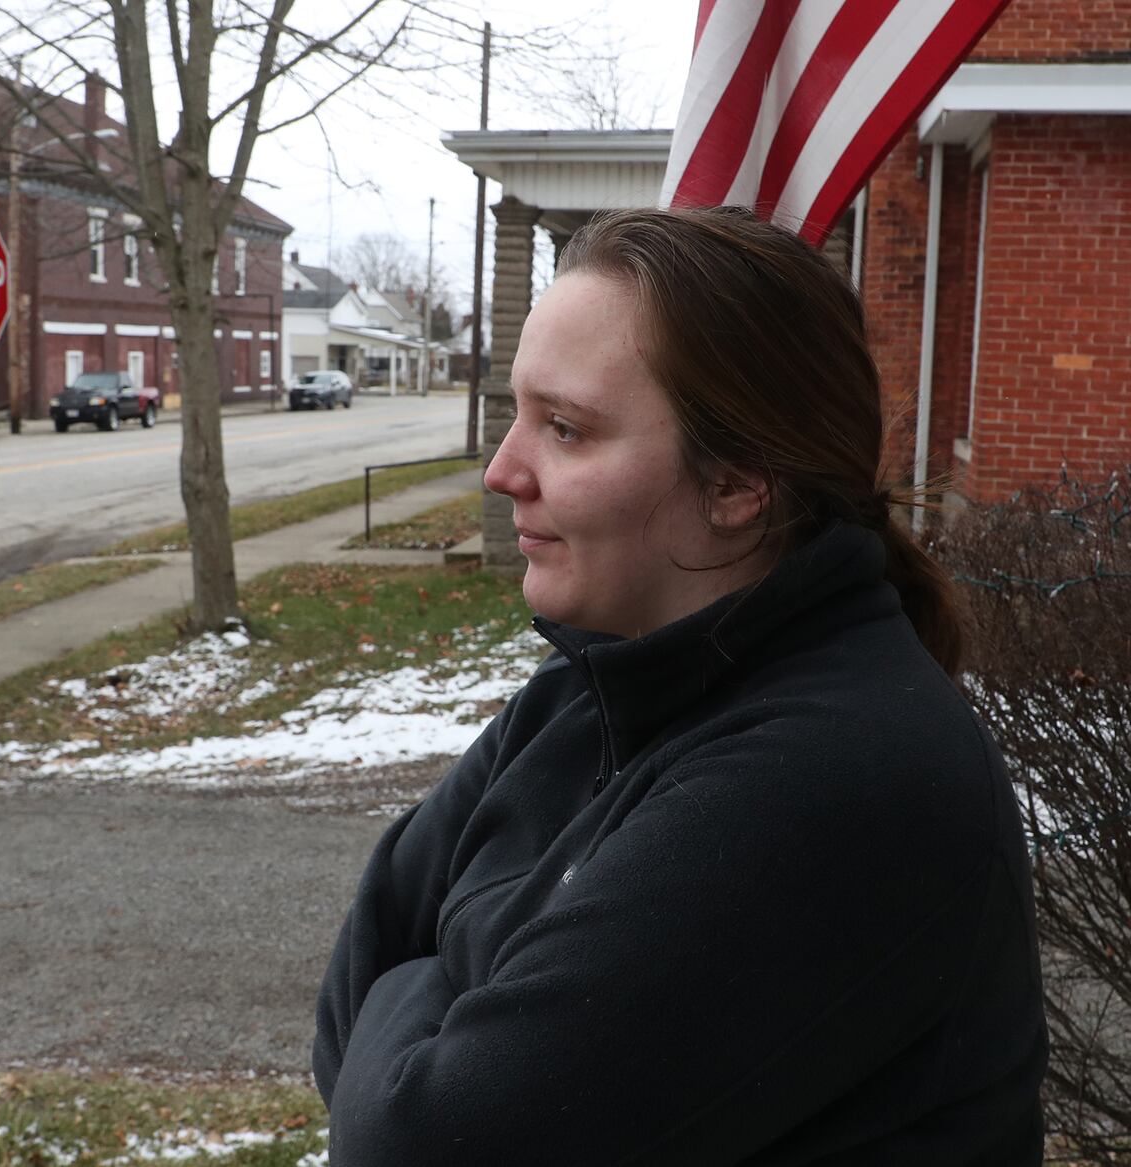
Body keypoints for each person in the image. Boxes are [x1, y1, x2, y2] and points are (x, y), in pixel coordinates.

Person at [312, 207, 1047, 1165]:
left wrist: (429, 982)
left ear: (739, 484)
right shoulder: (593, 681)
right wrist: (440, 1009)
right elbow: (345, 1000)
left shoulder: (837, 771)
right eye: (516, 415)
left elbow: (414, 1141)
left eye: (566, 430)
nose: (502, 471)